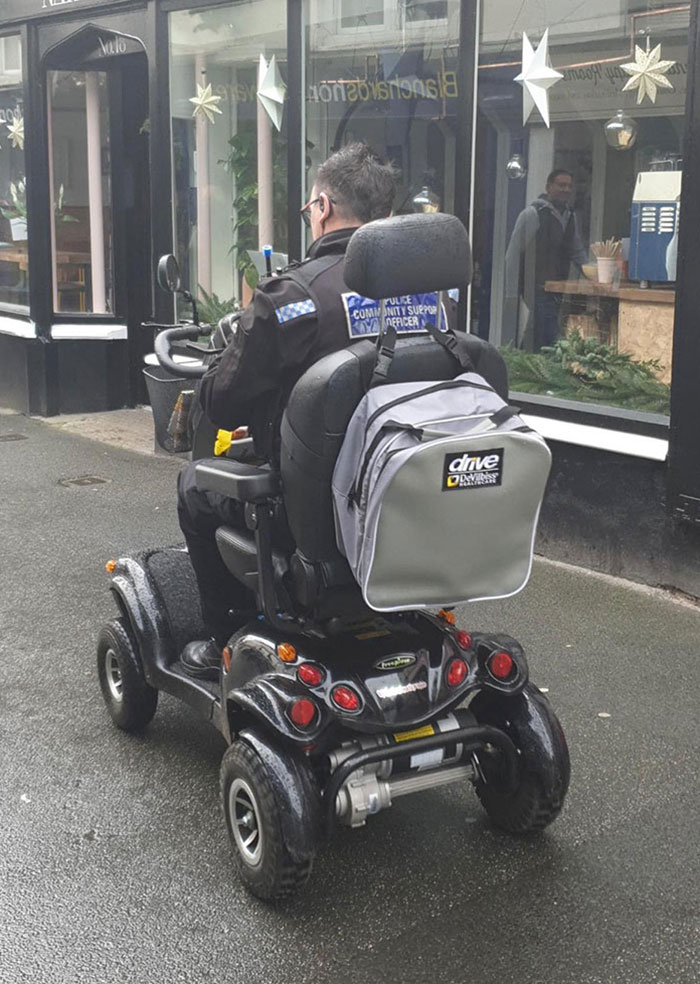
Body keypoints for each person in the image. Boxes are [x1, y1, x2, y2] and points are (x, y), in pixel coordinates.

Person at [177, 142, 397, 679]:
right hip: (404, 501)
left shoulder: (293, 297)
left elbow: (224, 403)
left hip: (312, 516)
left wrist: (220, 366)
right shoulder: (434, 299)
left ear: (322, 207)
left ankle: (223, 637)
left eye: (309, 209)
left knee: (194, 487)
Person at [504, 169, 587, 351]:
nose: (566, 190)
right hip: (535, 286)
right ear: (548, 187)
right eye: (561, 185)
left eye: (569, 186)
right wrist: (511, 293)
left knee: (537, 333)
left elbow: (577, 251)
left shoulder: (570, 216)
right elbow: (513, 254)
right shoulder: (532, 214)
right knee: (548, 333)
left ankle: (519, 362)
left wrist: (593, 274)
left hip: (558, 287)